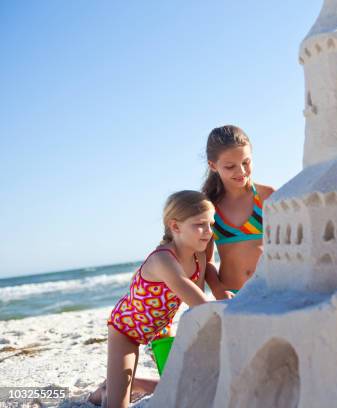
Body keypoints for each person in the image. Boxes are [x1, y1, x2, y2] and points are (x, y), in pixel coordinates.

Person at [88, 190, 215, 407]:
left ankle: (131, 383)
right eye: (200, 224)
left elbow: (198, 309)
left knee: (178, 390)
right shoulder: (163, 260)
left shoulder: (199, 257)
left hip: (160, 331)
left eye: (211, 224)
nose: (208, 232)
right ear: (175, 226)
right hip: (125, 331)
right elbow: (200, 303)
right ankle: (104, 392)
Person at [201, 125, 274, 298]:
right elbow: (206, 260)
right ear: (213, 165)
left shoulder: (267, 196)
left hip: (270, 291)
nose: (241, 171)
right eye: (230, 166)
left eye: (245, 162)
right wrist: (218, 290)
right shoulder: (208, 206)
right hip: (232, 296)